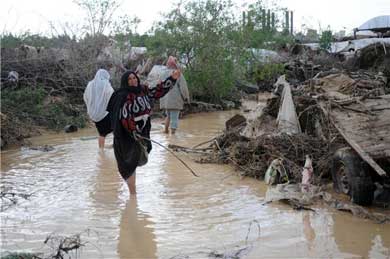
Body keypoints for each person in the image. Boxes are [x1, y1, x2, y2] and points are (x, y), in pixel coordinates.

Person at [108, 70, 180, 195]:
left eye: (134, 78)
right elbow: (125, 116)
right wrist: (133, 131)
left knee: (136, 159)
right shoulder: (123, 95)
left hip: (143, 133)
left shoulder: (143, 91)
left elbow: (158, 91)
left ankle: (132, 194)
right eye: (129, 79)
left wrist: (172, 79)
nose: (133, 81)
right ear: (125, 82)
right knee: (129, 164)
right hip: (127, 135)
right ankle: (132, 194)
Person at [83, 69, 114, 149]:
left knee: (102, 133)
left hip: (95, 114)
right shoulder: (106, 84)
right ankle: (116, 145)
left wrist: (91, 108)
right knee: (115, 128)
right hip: (106, 113)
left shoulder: (90, 84)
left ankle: (101, 150)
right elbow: (112, 96)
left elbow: (86, 97)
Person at [159, 56, 190, 134]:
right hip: (175, 100)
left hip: (165, 100)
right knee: (175, 117)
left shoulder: (162, 74)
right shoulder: (178, 74)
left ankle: (166, 131)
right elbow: (183, 87)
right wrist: (186, 97)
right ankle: (173, 135)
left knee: (168, 116)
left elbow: (159, 86)